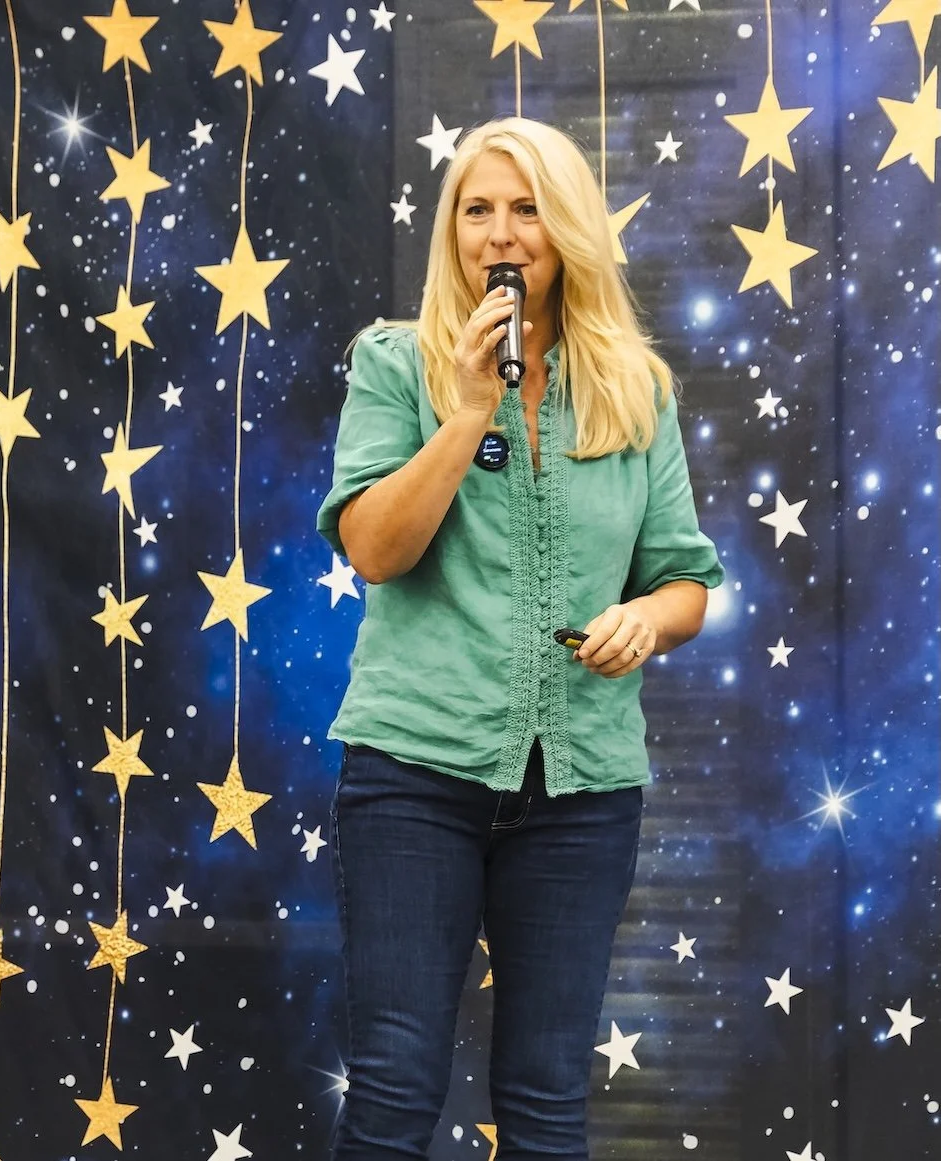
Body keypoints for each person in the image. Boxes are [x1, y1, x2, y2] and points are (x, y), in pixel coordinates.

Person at [316, 117, 724, 1161]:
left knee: (545, 1099)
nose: (502, 232)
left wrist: (645, 616)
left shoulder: (637, 387)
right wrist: (463, 413)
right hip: (416, 774)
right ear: (452, 231)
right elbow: (373, 548)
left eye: (528, 207)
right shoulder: (394, 364)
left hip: (582, 790)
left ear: (569, 228)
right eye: (477, 209)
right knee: (396, 1087)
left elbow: (685, 577)